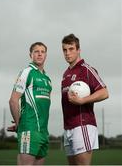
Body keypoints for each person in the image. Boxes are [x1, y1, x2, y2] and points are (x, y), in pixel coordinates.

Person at [61, 34, 109, 165]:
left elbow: (104, 92)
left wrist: (83, 100)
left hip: (83, 126)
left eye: (71, 49)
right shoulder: (66, 74)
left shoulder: (87, 70)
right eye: (64, 50)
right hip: (68, 128)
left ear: (78, 50)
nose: (67, 53)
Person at [8, 42, 52, 165]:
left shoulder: (48, 79)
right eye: (36, 51)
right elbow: (13, 100)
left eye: (42, 52)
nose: (40, 54)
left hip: (43, 133)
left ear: (46, 55)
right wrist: (18, 124)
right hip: (29, 130)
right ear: (30, 55)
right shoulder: (26, 72)